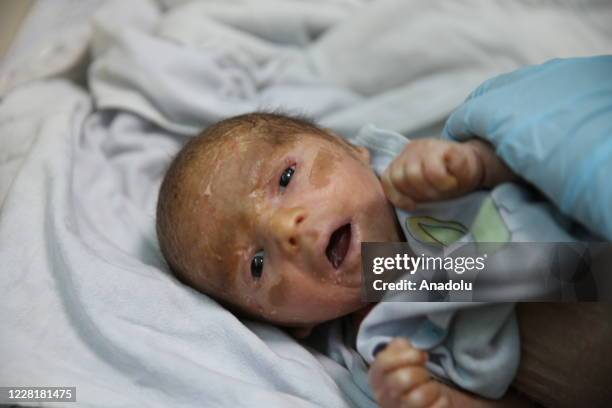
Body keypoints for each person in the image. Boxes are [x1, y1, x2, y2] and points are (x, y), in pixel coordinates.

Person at [156, 55, 612, 408]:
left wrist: (476, 164)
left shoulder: (427, 177)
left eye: (285, 179)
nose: (284, 230)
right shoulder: (386, 348)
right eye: (256, 265)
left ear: (351, 148)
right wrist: (443, 400)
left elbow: (538, 150)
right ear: (294, 327)